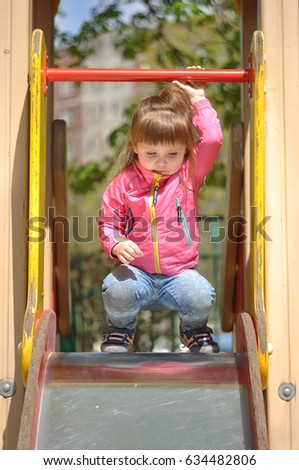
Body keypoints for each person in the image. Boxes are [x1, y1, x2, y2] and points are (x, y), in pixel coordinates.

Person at [98, 66, 223, 353]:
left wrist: (198, 99)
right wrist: (117, 244)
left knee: (201, 294)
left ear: (186, 152)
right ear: (135, 146)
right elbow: (108, 223)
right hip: (136, 274)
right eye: (151, 153)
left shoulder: (188, 176)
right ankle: (121, 329)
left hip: (178, 275)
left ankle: (192, 330)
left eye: (172, 154)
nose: (161, 161)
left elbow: (213, 138)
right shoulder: (123, 184)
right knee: (116, 287)